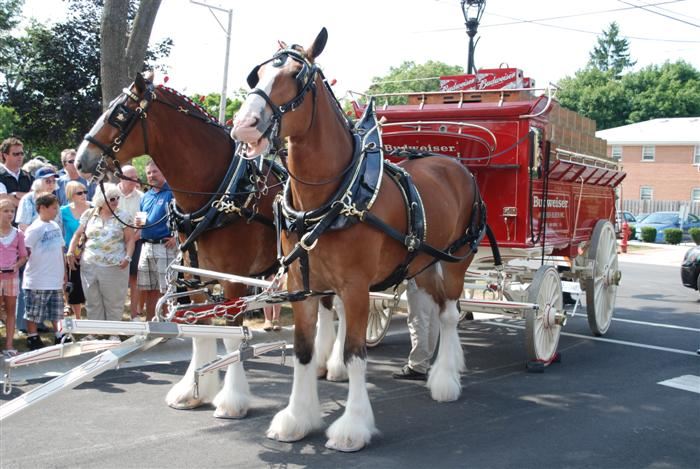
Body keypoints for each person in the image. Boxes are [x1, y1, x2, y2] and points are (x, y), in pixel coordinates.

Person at [67, 183, 134, 332]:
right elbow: (78, 234)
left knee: (113, 301)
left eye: (117, 198)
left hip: (115, 265)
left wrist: (128, 257)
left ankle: (113, 333)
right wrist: (70, 251)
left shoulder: (124, 216)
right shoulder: (89, 214)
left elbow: (130, 240)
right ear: (101, 200)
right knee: (92, 301)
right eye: (111, 199)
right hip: (89, 264)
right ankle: (96, 332)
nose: (116, 201)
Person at [22, 193, 66, 351]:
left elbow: (61, 249)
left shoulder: (55, 226)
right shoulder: (34, 228)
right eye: (54, 208)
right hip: (38, 278)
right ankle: (32, 336)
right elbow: (25, 251)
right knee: (34, 311)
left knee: (57, 310)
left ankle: (60, 335)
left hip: (55, 278)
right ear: (42, 208)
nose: (56, 211)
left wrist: (64, 272)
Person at [136, 160, 176, 321]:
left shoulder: (172, 192)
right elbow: (140, 219)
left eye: (155, 172)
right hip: (146, 246)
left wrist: (176, 237)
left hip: (164, 246)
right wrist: (138, 223)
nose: (151, 175)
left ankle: (168, 324)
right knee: (148, 289)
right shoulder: (145, 196)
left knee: (166, 289)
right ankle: (151, 324)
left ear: (164, 172)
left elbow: (182, 217)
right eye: (149, 173)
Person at [392, 282, 440, 381]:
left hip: (421, 274)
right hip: (439, 275)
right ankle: (424, 362)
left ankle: (418, 366)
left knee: (419, 318)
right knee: (432, 317)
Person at [0, 199, 27, 357]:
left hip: (11, 277)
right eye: (6, 211)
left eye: (12, 211)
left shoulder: (18, 234)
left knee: (11, 310)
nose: (10, 214)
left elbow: (23, 256)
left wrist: (16, 265)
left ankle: (9, 345)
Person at [117, 165, 144, 320]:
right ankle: (116, 316)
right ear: (121, 177)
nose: (135, 181)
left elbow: (141, 223)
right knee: (115, 279)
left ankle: (134, 315)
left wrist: (131, 241)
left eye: (136, 177)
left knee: (135, 279)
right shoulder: (110, 194)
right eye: (130, 178)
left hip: (136, 241)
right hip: (113, 243)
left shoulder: (141, 197)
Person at [60, 181, 90, 319]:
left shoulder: (93, 208)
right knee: (73, 283)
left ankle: (92, 314)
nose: (84, 195)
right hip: (71, 252)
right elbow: (60, 231)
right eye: (79, 193)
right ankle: (77, 317)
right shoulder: (63, 211)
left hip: (90, 251)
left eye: (85, 192)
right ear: (71, 195)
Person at [16, 166, 63, 232]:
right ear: (38, 183)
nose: (52, 184)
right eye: (48, 181)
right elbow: (23, 226)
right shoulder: (28, 199)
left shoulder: (54, 199)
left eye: (54, 181)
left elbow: (59, 224)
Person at [0, 137, 33, 203]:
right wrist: (27, 198)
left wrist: (14, 195)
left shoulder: (28, 176)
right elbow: (3, 200)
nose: (20, 156)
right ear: (5, 155)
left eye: (22, 154)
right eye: (16, 154)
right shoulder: (1, 175)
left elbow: (36, 198)